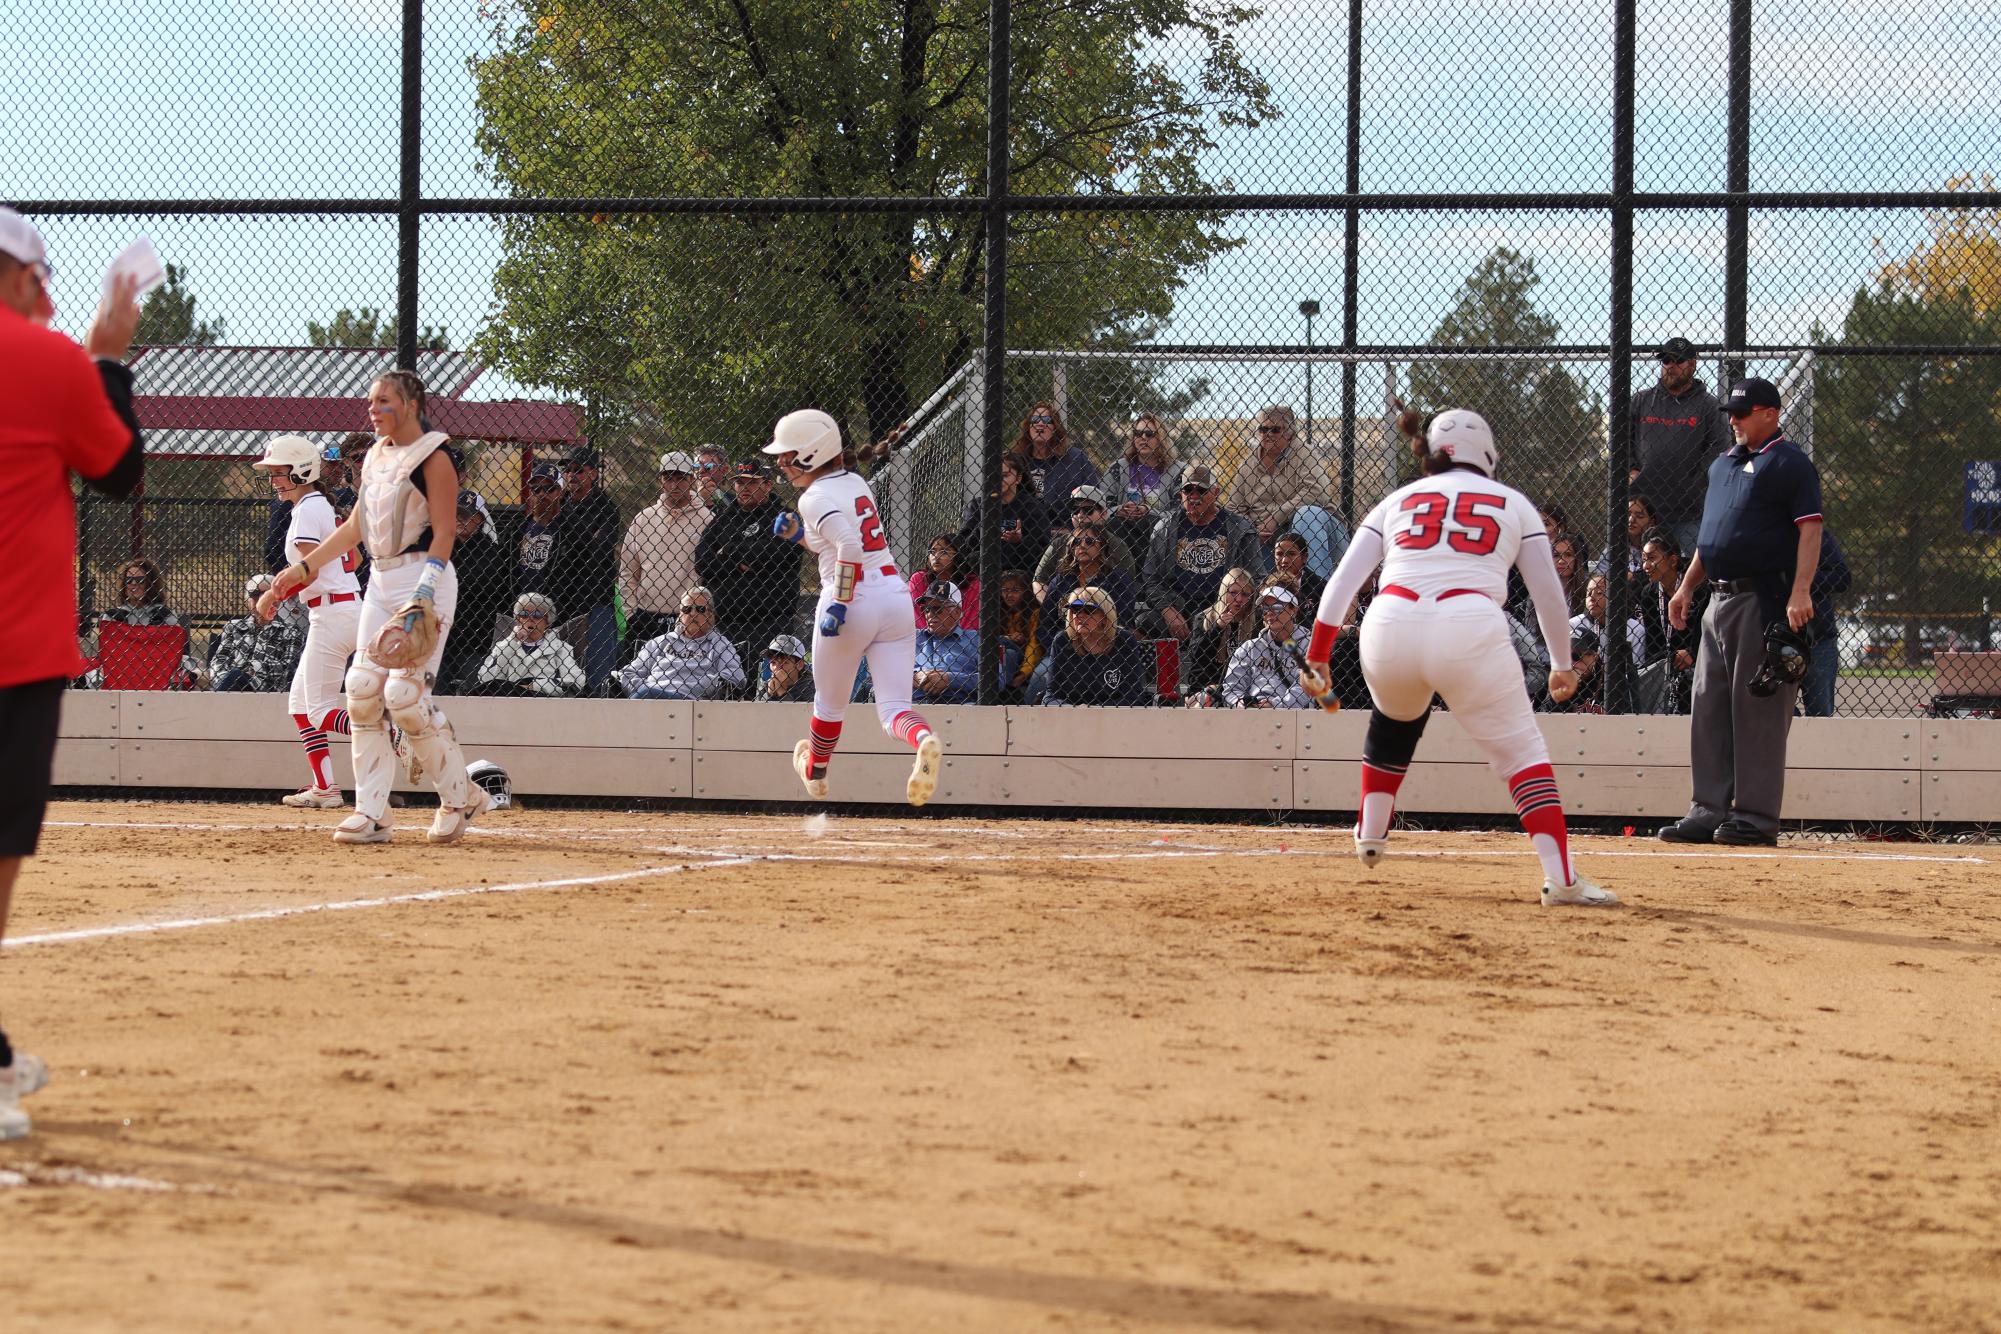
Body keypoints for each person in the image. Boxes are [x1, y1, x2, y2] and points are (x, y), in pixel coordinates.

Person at [1298, 407, 1616, 907]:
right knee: (1522, 754)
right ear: (1487, 455)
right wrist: (1560, 663)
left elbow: (1341, 584)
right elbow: (1548, 594)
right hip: (1468, 624)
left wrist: (1316, 656)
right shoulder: (1513, 503)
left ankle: (1372, 833)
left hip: (1388, 624)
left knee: (1395, 717)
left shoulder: (1396, 499)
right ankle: (1562, 879)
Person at [0, 208, 146, 1140]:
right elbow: (120, 474)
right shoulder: (46, 361)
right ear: (17, 278)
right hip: (14, 653)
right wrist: (108, 361)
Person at [269, 370, 491, 845]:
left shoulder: (435, 456)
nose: (372, 410)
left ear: (410, 405)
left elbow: (447, 532)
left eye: (383, 401)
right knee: (363, 689)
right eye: (372, 401)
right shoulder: (374, 457)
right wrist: (299, 572)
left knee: (405, 701)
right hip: (382, 579)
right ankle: (373, 813)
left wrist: (424, 594)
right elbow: (353, 528)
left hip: (425, 578)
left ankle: (459, 797)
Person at [1659, 377, 1825, 847]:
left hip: (1764, 600)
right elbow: (1711, 536)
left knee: (1758, 712)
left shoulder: (1790, 464)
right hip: (1718, 599)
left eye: (1742, 412)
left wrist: (1801, 592)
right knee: (1708, 706)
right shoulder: (1723, 465)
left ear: (1770, 413)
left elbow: (1810, 531)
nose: (1732, 420)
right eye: (1730, 412)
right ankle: (1707, 809)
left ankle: (1753, 816)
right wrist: (1686, 588)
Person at [765, 408, 943, 804]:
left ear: (811, 453)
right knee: (894, 709)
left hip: (852, 599)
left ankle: (816, 772)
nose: (781, 462)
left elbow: (847, 547)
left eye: (788, 454)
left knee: (829, 705)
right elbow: (837, 541)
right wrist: (799, 537)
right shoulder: (855, 482)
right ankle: (924, 739)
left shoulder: (813, 496)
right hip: (894, 598)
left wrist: (840, 603)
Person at [249, 433, 364, 806]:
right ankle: (325, 788)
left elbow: (308, 573)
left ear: (301, 472)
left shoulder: (307, 508)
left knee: (318, 709)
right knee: (300, 706)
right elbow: (356, 560)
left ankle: (385, 729)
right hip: (341, 609)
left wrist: (273, 593)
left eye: (279, 472)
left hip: (333, 614)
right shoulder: (319, 505)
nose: (273, 480)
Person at [1630, 336, 1732, 556]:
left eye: (1678, 361)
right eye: (1666, 361)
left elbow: (1718, 451)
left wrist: (1693, 482)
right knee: (1638, 572)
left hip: (1688, 513)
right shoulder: (1641, 401)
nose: (1671, 367)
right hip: (1643, 512)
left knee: (1690, 575)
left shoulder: (1709, 406)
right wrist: (1630, 469)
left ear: (1693, 364)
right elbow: (1620, 441)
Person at [1140, 464, 1263, 641]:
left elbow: (1257, 578)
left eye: (1201, 490)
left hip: (1222, 605)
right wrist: (1167, 610)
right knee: (1144, 621)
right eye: (1188, 490)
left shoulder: (1240, 529)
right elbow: (1151, 580)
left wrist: (1228, 607)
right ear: (1180, 494)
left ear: (1216, 492)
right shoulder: (1164, 529)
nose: (1194, 496)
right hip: (1179, 607)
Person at [694, 458, 802, 654]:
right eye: (739, 482)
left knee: (765, 681)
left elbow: (774, 555)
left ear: (767, 484)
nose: (744, 487)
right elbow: (702, 561)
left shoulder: (785, 516)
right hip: (725, 621)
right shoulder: (724, 517)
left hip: (771, 620)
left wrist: (728, 551)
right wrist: (738, 565)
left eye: (751, 482)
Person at [620, 450, 710, 659]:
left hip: (689, 617)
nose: (674, 484)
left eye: (680, 478)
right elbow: (627, 570)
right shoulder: (644, 519)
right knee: (631, 682)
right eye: (668, 477)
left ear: (691, 479)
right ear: (661, 481)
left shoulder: (707, 519)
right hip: (646, 615)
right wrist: (631, 612)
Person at [555, 445, 622, 686]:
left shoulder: (606, 508)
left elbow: (597, 551)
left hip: (595, 597)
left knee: (596, 674)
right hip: (562, 597)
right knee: (560, 674)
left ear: (593, 474)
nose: (572, 475)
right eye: (568, 470)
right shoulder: (559, 503)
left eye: (579, 470)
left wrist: (573, 529)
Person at [437, 489, 511, 693]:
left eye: (465, 515)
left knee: (475, 692)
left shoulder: (490, 551)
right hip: (443, 637)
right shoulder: (444, 547)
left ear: (479, 519)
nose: (459, 519)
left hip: (475, 640)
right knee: (437, 692)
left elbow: (480, 584)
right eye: (455, 514)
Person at [615, 585, 746, 699]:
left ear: (711, 614)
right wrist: (646, 687)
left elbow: (736, 677)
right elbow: (628, 673)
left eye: (700, 609)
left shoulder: (721, 644)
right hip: (649, 696)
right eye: (687, 609)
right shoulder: (660, 642)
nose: (693, 613)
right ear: (680, 615)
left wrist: (695, 686)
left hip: (691, 702)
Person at [1225, 405, 1324, 555]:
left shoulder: (1306, 454)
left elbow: (1316, 493)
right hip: (1260, 536)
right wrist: (1252, 529)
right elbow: (1234, 507)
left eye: (1275, 430)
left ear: (1290, 433)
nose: (1268, 434)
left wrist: (1275, 519)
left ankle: (1311, 577)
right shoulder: (1248, 463)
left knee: (1307, 513)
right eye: (1263, 429)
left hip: (1298, 529)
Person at [1044, 585, 1154, 707]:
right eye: (1075, 610)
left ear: (1105, 616)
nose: (1080, 615)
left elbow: (1134, 695)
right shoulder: (1062, 641)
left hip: (1114, 717)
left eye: (1089, 610)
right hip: (1071, 717)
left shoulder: (1124, 640)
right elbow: (1051, 694)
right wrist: (1071, 710)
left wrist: (1096, 710)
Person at [1636, 527, 1706, 715]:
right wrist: (1668, 659)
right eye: (1643, 559)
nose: (1646, 566)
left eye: (1652, 558)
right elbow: (1653, 641)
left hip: (1700, 659)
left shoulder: (1699, 587)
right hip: (1669, 663)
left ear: (1673, 560)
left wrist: (1692, 653)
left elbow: (1709, 629)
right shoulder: (1649, 594)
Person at [1037, 527, 1139, 655]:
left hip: (1107, 650)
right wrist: (1061, 649)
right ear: (1071, 548)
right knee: (1039, 675)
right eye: (1076, 542)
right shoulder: (1060, 581)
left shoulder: (1117, 581)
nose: (1081, 545)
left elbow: (1122, 621)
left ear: (1102, 545)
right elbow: (1045, 625)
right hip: (1065, 651)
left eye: (1089, 541)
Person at [1219, 579, 1315, 709]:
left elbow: (1306, 687)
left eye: (1277, 607)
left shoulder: (1310, 646)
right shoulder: (1249, 648)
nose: (1270, 613)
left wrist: (1275, 705)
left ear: (1294, 610)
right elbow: (1231, 688)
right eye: (1265, 608)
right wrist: (1240, 703)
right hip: (1252, 714)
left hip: (1293, 716)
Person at [1100, 412, 1183, 558]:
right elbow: (1102, 504)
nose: (1143, 438)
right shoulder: (1118, 468)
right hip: (1123, 531)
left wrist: (1147, 511)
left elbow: (1179, 511)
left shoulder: (1178, 470)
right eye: (1138, 433)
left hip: (1159, 532)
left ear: (1161, 438)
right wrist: (1120, 509)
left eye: (1149, 434)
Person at [472, 592, 585, 697]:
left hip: (541, 698)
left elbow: (576, 680)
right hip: (508, 698)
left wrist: (533, 686)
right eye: (524, 614)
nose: (530, 619)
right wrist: (511, 640)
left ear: (547, 621)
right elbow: (486, 679)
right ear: (518, 619)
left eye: (536, 615)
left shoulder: (560, 648)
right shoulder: (504, 646)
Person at [1015, 401, 1100, 535]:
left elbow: (1095, 498)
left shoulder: (1076, 459)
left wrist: (1074, 530)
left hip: (1068, 531)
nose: (1040, 423)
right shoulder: (1017, 460)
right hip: (1025, 533)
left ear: (1055, 428)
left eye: (1047, 420)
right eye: (1035, 419)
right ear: (1028, 427)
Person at [956, 449, 1049, 568]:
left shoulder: (1033, 507)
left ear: (1018, 478)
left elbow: (1042, 551)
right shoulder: (977, 505)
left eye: (1005, 475)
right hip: (983, 572)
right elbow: (964, 546)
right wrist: (985, 524)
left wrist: (1019, 541)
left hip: (1019, 573)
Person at [1033, 485, 1137, 591]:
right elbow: (1039, 581)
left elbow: (1128, 582)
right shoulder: (1059, 543)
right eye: (1075, 510)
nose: (1080, 515)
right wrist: (1051, 604)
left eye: (1088, 510)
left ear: (1104, 514)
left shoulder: (1116, 545)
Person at [1180, 567, 1260, 704]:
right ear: (1223, 593)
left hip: (1243, 686)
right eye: (1233, 593)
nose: (1239, 599)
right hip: (1208, 684)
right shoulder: (1204, 618)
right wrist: (1217, 629)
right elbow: (1196, 657)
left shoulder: (1256, 622)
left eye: (1245, 594)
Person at [912, 581, 988, 706]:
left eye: (937, 609)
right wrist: (915, 676)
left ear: (957, 612)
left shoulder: (976, 640)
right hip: (915, 704)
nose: (930, 614)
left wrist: (950, 680)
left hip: (960, 706)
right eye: (926, 609)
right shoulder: (913, 638)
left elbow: (996, 680)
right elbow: (886, 671)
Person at [1802, 529, 1851, 718]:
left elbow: (1842, 577)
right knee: (1777, 711)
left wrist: (1801, 578)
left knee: (1821, 714)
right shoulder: (1767, 532)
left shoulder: (1817, 534)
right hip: (1776, 637)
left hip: (1819, 637)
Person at [510, 462, 569, 604]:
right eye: (536, 489)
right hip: (520, 608)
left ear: (560, 492)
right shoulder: (518, 529)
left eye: (549, 488)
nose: (542, 493)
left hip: (556, 611)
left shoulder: (572, 531)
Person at [908, 533, 981, 631]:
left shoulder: (973, 583)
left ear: (958, 555)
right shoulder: (919, 579)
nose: (936, 556)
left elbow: (970, 621)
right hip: (926, 639)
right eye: (932, 552)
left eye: (944, 552)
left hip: (962, 640)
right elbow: (918, 617)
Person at [993, 570, 1042, 701]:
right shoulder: (998, 613)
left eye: (1015, 590)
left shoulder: (1034, 613)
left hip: (1025, 659)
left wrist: (1024, 673)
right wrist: (1008, 637)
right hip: (1003, 655)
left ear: (1026, 591)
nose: (1009, 595)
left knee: (1009, 652)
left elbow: (1034, 645)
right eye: (1005, 590)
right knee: (1007, 650)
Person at [1271, 530, 1326, 611]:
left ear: (1304, 557)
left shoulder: (1320, 587)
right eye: (1279, 554)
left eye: (1291, 554)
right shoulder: (1267, 585)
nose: (1284, 560)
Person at [755, 633, 814, 703]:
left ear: (799, 665)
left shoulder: (811, 687)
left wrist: (782, 693)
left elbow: (802, 713)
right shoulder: (766, 685)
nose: (776, 667)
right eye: (773, 662)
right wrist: (769, 695)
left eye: (784, 663)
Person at [693, 444, 730, 509]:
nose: (701, 470)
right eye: (697, 466)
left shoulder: (734, 501)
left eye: (708, 466)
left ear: (724, 470)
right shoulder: (682, 499)